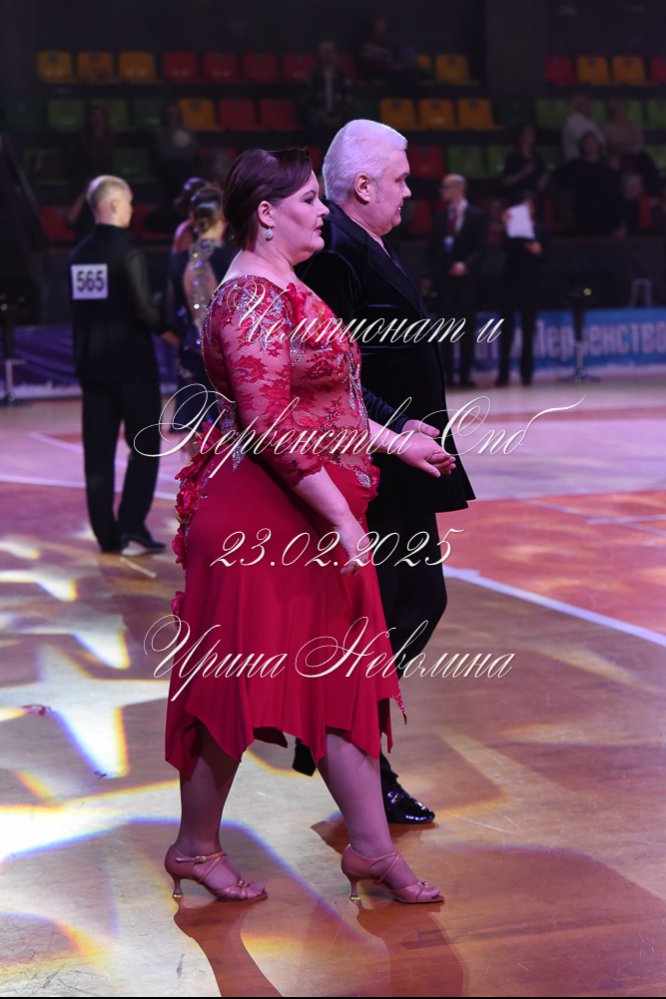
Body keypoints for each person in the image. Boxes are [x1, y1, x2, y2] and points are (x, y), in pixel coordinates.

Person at [162, 147, 452, 903]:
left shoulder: (285, 285)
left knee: (343, 679)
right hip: (259, 522)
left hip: (306, 515)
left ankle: (371, 848)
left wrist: (395, 442)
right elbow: (270, 426)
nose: (324, 211)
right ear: (266, 213)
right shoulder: (250, 298)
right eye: (309, 201)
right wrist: (342, 519)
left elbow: (326, 403)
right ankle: (195, 848)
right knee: (234, 688)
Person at [298, 121, 475, 823]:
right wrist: (395, 431)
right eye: (400, 179)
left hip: (403, 461)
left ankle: (344, 734)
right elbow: (331, 373)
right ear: (364, 185)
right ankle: (349, 741)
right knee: (400, 609)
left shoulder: (362, 243)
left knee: (412, 605)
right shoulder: (336, 252)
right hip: (374, 466)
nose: (409, 190)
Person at [69, 175, 165, 555]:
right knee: (146, 445)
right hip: (132, 367)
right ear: (112, 204)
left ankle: (106, 534)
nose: (132, 209)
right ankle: (131, 525)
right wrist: (174, 327)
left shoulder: (78, 254)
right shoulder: (128, 253)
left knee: (98, 453)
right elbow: (145, 312)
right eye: (128, 202)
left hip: (91, 366)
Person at [164, 184, 236, 437]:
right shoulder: (234, 258)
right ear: (223, 218)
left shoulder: (177, 260)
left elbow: (167, 315)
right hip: (227, 353)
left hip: (190, 352)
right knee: (227, 430)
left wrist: (187, 338)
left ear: (194, 219)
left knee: (194, 430)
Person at [428, 173, 487, 387]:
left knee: (467, 327)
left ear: (458, 188)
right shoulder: (440, 217)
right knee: (446, 328)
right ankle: (448, 375)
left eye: (446, 187)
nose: (442, 191)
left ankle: (465, 374)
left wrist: (466, 265)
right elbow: (433, 249)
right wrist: (441, 269)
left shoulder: (477, 216)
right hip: (446, 281)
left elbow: (481, 248)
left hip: (468, 281)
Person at [496, 192, 549, 387]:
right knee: (507, 329)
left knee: (528, 330)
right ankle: (503, 374)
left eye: (530, 206)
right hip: (510, 281)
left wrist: (539, 251)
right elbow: (505, 248)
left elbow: (549, 257)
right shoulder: (512, 229)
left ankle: (527, 374)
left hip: (531, 283)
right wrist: (506, 226)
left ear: (535, 209)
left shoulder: (542, 229)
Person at [500, 124, 548, 204]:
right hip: (519, 195)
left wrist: (544, 179)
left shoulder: (537, 156)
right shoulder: (513, 157)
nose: (531, 135)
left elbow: (544, 173)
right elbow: (505, 181)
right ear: (520, 137)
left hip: (535, 195)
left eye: (532, 133)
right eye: (528, 133)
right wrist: (523, 172)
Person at [562, 94, 605, 162]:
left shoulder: (590, 121)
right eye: (583, 103)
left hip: (593, 162)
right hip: (577, 163)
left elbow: (601, 142)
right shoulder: (573, 122)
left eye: (588, 102)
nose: (589, 105)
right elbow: (588, 144)